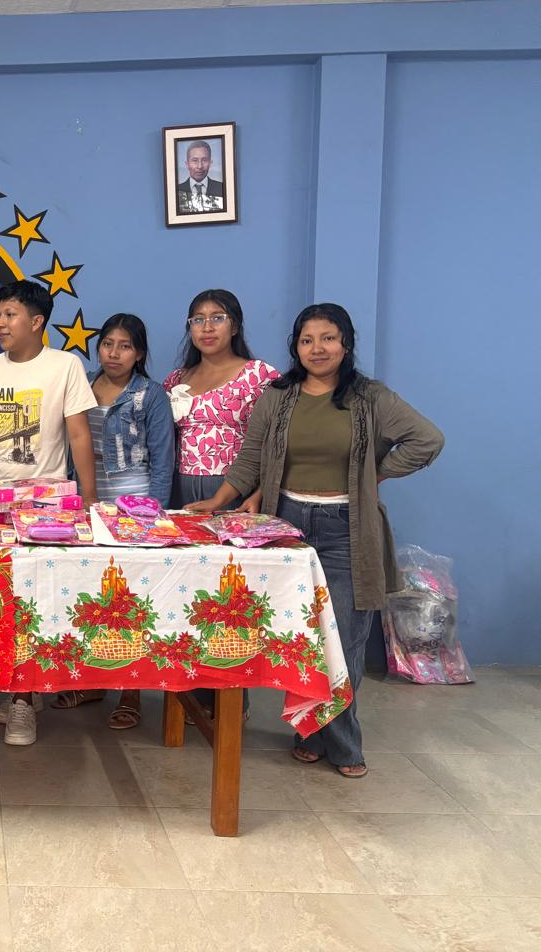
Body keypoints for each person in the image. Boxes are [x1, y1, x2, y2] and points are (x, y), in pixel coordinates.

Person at [187, 303, 443, 779]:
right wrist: (218, 500)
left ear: (345, 344)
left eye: (328, 338)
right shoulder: (279, 396)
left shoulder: (370, 397)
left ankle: (344, 745)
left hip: (348, 528)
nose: (317, 349)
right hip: (287, 526)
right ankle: (307, 734)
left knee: (342, 641)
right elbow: (250, 458)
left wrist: (374, 475)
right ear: (296, 347)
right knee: (298, 638)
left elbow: (427, 440)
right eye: (307, 340)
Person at [0, 279, 98, 746]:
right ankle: (14, 686)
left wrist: (89, 497)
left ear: (37, 322)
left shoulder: (65, 366)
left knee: (35, 601)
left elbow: (79, 435)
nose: (0, 323)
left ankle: (22, 699)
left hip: (47, 503)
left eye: (10, 314)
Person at [51, 313, 174, 730]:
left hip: (134, 501)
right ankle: (93, 683)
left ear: (139, 353)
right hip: (85, 497)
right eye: (107, 344)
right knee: (89, 592)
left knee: (128, 598)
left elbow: (163, 460)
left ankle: (131, 691)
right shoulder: (81, 384)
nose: (114, 353)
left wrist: (154, 515)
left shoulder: (150, 395)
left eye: (125, 346)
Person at [164, 290, 279, 508]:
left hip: (235, 490)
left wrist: (259, 495)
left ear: (234, 327)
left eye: (217, 318)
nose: (207, 327)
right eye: (198, 320)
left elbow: (278, 443)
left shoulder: (258, 375)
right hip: (178, 488)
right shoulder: (175, 380)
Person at [176, 140, 226, 214]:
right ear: (187, 164)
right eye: (195, 160)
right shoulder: (177, 190)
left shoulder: (222, 188)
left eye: (204, 160)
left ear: (210, 163)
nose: (200, 166)